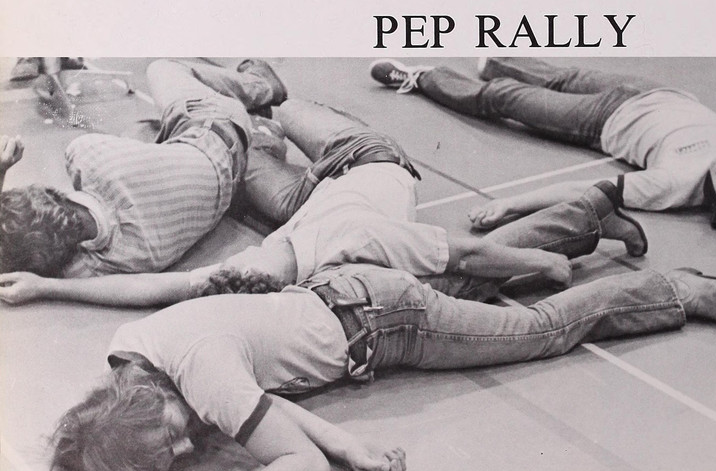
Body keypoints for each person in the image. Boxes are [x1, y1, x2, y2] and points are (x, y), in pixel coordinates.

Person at [50, 260, 716, 471]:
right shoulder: (132, 353)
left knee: (538, 331)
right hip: (346, 293)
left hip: (388, 324)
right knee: (475, 281)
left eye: (171, 439)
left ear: (143, 404)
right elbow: (263, 406)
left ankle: (675, 291)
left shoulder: (202, 376)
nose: (185, 451)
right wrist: (349, 443)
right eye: (172, 459)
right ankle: (578, 228)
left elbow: (301, 470)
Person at [0, 97, 650, 307]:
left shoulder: (349, 242)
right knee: (256, 156)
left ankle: (265, 104)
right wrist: (49, 286)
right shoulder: (283, 262)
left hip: (366, 158)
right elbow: (161, 289)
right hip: (314, 198)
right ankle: (590, 210)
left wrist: (549, 267)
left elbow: (471, 251)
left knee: (284, 112)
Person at [369, 58, 716, 247]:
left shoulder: (673, 186)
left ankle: (423, 78)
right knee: (564, 75)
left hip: (602, 120)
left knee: (504, 98)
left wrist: (512, 205)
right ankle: (497, 60)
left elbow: (585, 190)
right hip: (656, 91)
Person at [0, 58, 289, 278]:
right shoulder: (87, 157)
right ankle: (261, 85)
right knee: (162, 68)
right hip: (215, 127)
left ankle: (261, 131)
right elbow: (86, 132)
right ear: (46, 192)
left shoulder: (107, 264)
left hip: (222, 185)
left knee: (141, 132)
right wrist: (4, 168)